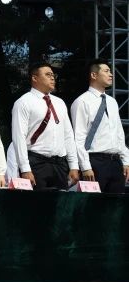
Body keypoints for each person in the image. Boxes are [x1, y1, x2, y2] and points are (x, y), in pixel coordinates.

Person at [11, 62, 79, 190]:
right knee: (38, 202)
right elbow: (19, 137)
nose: (52, 78)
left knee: (60, 201)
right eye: (48, 75)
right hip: (36, 162)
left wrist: (74, 165)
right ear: (34, 78)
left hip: (60, 163)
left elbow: (68, 135)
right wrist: (25, 169)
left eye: (53, 75)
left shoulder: (60, 103)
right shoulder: (23, 102)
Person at [70, 60, 129, 193]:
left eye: (110, 71)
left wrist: (126, 160)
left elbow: (119, 133)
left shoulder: (112, 101)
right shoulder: (82, 101)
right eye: (106, 71)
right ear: (94, 75)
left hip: (116, 162)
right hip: (95, 161)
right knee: (93, 203)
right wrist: (85, 166)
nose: (111, 74)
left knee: (115, 204)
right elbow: (79, 137)